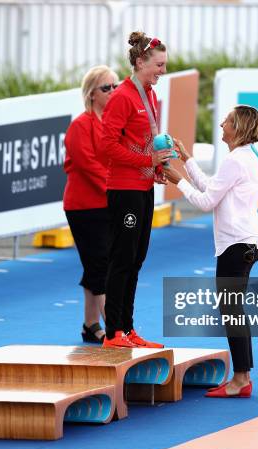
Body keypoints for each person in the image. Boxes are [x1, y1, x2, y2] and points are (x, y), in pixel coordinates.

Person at [164, 105, 258, 397]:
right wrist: (187, 161)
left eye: (227, 121)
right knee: (234, 309)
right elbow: (213, 188)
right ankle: (242, 377)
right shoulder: (243, 158)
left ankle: (241, 379)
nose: (222, 124)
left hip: (236, 244)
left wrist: (177, 179)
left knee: (232, 310)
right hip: (244, 242)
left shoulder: (236, 160)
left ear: (239, 128)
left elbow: (206, 201)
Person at [100, 31, 174, 348]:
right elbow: (106, 146)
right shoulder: (122, 97)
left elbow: (142, 140)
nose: (163, 71)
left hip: (143, 186)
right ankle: (112, 332)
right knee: (123, 257)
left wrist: (154, 166)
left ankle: (127, 329)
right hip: (123, 189)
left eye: (164, 65)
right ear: (141, 62)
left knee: (137, 257)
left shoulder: (149, 95)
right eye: (158, 65)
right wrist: (147, 159)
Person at [64, 65, 120, 344]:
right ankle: (115, 329)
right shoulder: (80, 126)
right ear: (91, 94)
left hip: (107, 202)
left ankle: (90, 325)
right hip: (84, 206)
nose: (113, 92)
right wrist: (116, 189)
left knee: (98, 263)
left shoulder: (113, 123)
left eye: (115, 86)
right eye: (106, 88)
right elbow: (88, 165)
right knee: (100, 264)